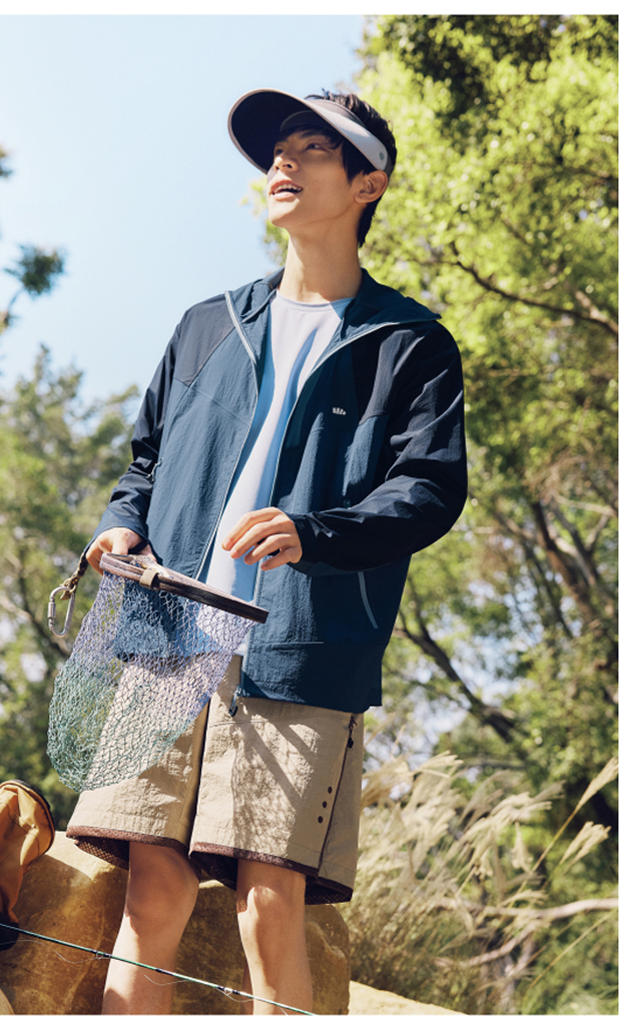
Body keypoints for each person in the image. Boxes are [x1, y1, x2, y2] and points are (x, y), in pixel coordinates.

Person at [65, 87, 467, 1014]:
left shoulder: (409, 343)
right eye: (279, 149)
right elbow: (145, 462)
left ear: (368, 183)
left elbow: (427, 490)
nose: (283, 163)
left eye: (314, 148)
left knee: (268, 903)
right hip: (166, 635)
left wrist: (313, 533)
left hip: (303, 647)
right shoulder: (207, 323)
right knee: (151, 891)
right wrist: (121, 523)